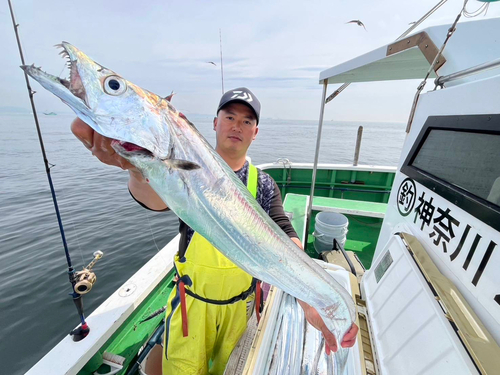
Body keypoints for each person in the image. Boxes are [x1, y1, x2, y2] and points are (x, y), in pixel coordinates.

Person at [71, 87, 359, 375]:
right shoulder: (188, 168)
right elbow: (154, 199)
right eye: (230, 116)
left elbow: (285, 234)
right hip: (192, 307)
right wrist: (137, 169)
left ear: (255, 132)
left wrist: (310, 298)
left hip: (240, 309)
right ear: (214, 122)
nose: (237, 125)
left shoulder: (265, 183)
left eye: (247, 121)